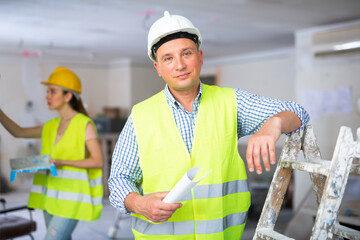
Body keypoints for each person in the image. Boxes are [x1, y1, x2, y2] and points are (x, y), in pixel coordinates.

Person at [108, 11, 309, 240]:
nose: (180, 65)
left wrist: (274, 123)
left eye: (187, 53)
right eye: (168, 58)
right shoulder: (140, 115)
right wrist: (138, 203)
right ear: (158, 68)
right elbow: (119, 179)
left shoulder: (232, 102)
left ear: (200, 57)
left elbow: (298, 112)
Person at [0, 67, 104, 240]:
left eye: (52, 91)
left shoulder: (84, 125)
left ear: (68, 96)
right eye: (47, 91)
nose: (47, 96)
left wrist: (62, 162)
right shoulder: (50, 126)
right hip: (51, 195)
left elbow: (98, 161)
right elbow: (18, 132)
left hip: (73, 197)